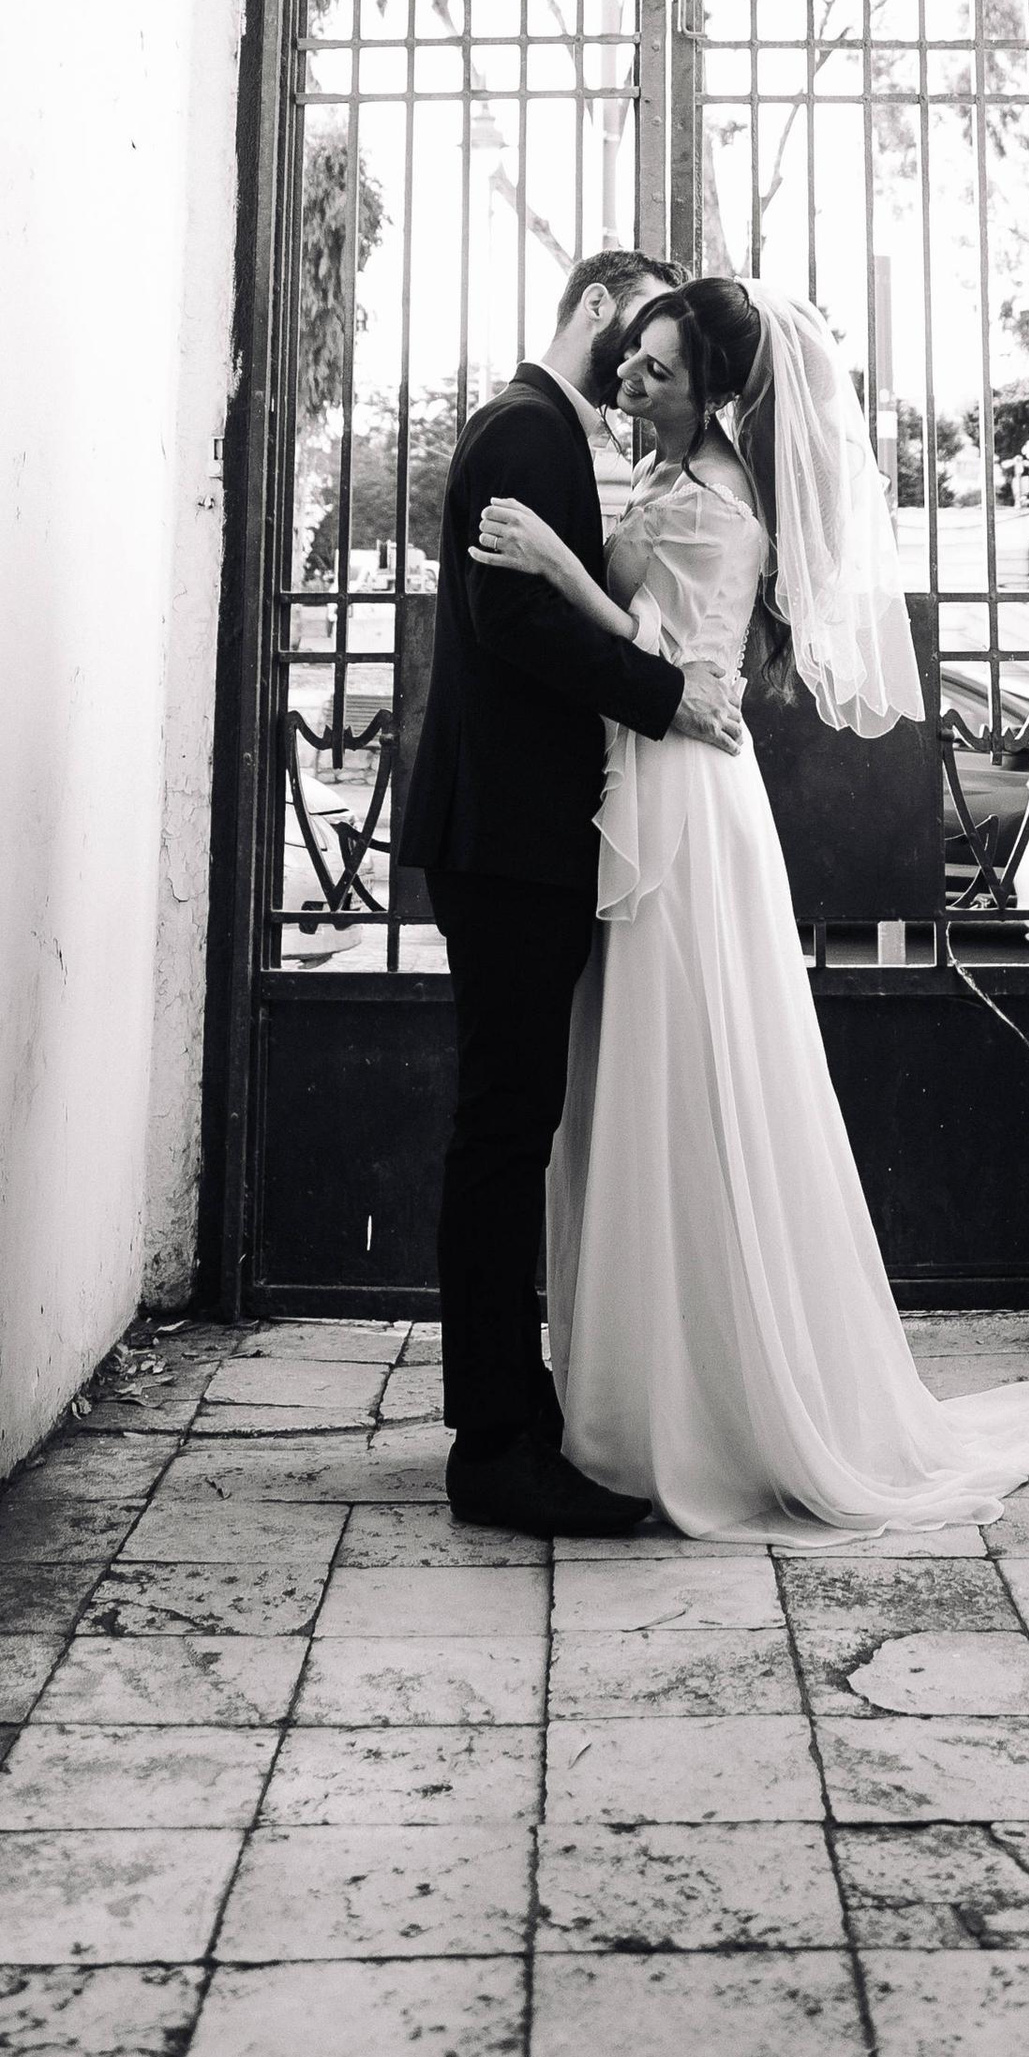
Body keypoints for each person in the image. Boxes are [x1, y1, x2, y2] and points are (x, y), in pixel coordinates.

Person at [469, 274, 1029, 1534]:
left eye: (657, 367)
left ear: (714, 393)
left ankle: (708, 1402)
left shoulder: (717, 510)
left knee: (687, 1080)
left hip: (688, 816)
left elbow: (679, 676)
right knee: (633, 1085)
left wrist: (554, 560)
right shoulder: (659, 482)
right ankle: (635, 1390)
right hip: (642, 795)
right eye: (632, 360)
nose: (634, 381)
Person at [397, 247, 745, 1541]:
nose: (638, 372)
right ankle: (494, 1444)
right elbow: (516, 629)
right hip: (505, 841)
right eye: (636, 337)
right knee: (504, 1127)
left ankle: (518, 1414)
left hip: (527, 839)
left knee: (516, 1121)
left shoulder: (539, 432)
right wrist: (665, 696)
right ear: (597, 309)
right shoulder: (526, 431)